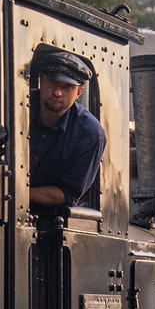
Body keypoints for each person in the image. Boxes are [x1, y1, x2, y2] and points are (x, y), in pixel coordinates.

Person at [28, 50, 106, 208]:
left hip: (49, 219)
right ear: (41, 80)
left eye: (67, 87)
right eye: (52, 82)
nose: (57, 92)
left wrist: (17, 192)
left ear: (79, 92)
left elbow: (68, 194)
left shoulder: (90, 133)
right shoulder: (14, 107)